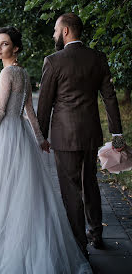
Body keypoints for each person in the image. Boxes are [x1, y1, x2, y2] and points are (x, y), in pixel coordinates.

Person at [0, 26, 93, 273]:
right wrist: (40, 138)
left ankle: (4, 249)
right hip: (21, 138)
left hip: (5, 137)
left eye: (4, 44)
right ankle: (19, 244)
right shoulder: (23, 73)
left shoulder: (7, 75)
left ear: (15, 48)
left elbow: (0, 111)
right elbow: (29, 112)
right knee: (20, 194)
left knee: (0, 194)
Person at [37, 13, 124, 257]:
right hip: (90, 134)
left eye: (56, 30)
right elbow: (109, 97)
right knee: (90, 184)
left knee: (71, 190)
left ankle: (79, 247)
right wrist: (116, 133)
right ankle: (96, 234)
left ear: (65, 31)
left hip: (64, 136)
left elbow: (44, 104)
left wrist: (41, 136)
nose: (54, 34)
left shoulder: (53, 61)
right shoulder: (98, 58)